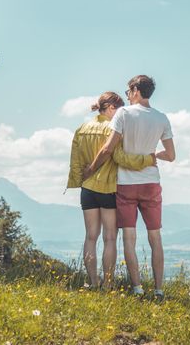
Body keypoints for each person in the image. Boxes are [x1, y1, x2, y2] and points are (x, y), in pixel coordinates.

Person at [84, 75, 175, 300]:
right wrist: (151, 155)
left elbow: (107, 148)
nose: (127, 95)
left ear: (135, 90)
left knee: (129, 238)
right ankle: (159, 289)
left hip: (126, 184)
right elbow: (171, 156)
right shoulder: (162, 118)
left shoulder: (124, 114)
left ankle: (137, 288)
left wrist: (90, 170)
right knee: (155, 237)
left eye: (128, 91)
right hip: (151, 183)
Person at [67, 91, 155, 290]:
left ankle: (92, 282)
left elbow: (76, 162)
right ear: (111, 108)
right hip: (108, 188)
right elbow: (120, 158)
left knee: (90, 236)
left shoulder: (82, 128)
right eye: (119, 108)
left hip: (87, 189)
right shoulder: (113, 129)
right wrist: (148, 159)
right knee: (110, 237)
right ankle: (108, 284)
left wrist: (80, 180)